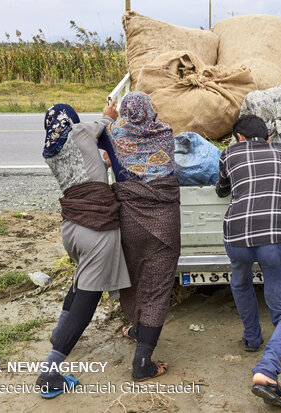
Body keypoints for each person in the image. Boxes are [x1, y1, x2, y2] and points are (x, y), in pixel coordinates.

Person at [37, 102, 131, 398]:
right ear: (71, 119)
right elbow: (106, 121)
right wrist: (110, 113)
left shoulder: (51, 149)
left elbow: (84, 172)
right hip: (95, 225)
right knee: (88, 299)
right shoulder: (80, 130)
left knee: (79, 282)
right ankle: (50, 371)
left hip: (72, 227)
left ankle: (59, 334)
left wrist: (102, 163)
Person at [216, 114, 281, 408]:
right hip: (277, 235)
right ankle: (267, 370)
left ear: (239, 137)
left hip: (237, 236)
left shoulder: (228, 154)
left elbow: (222, 190)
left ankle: (252, 339)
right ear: (268, 137)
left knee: (241, 281)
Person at [98, 92, 180, 381]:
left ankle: (136, 326)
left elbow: (99, 137)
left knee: (133, 277)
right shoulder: (165, 132)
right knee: (158, 286)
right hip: (164, 223)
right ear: (149, 110)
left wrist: (108, 115)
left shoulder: (114, 134)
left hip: (129, 220)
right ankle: (142, 360)